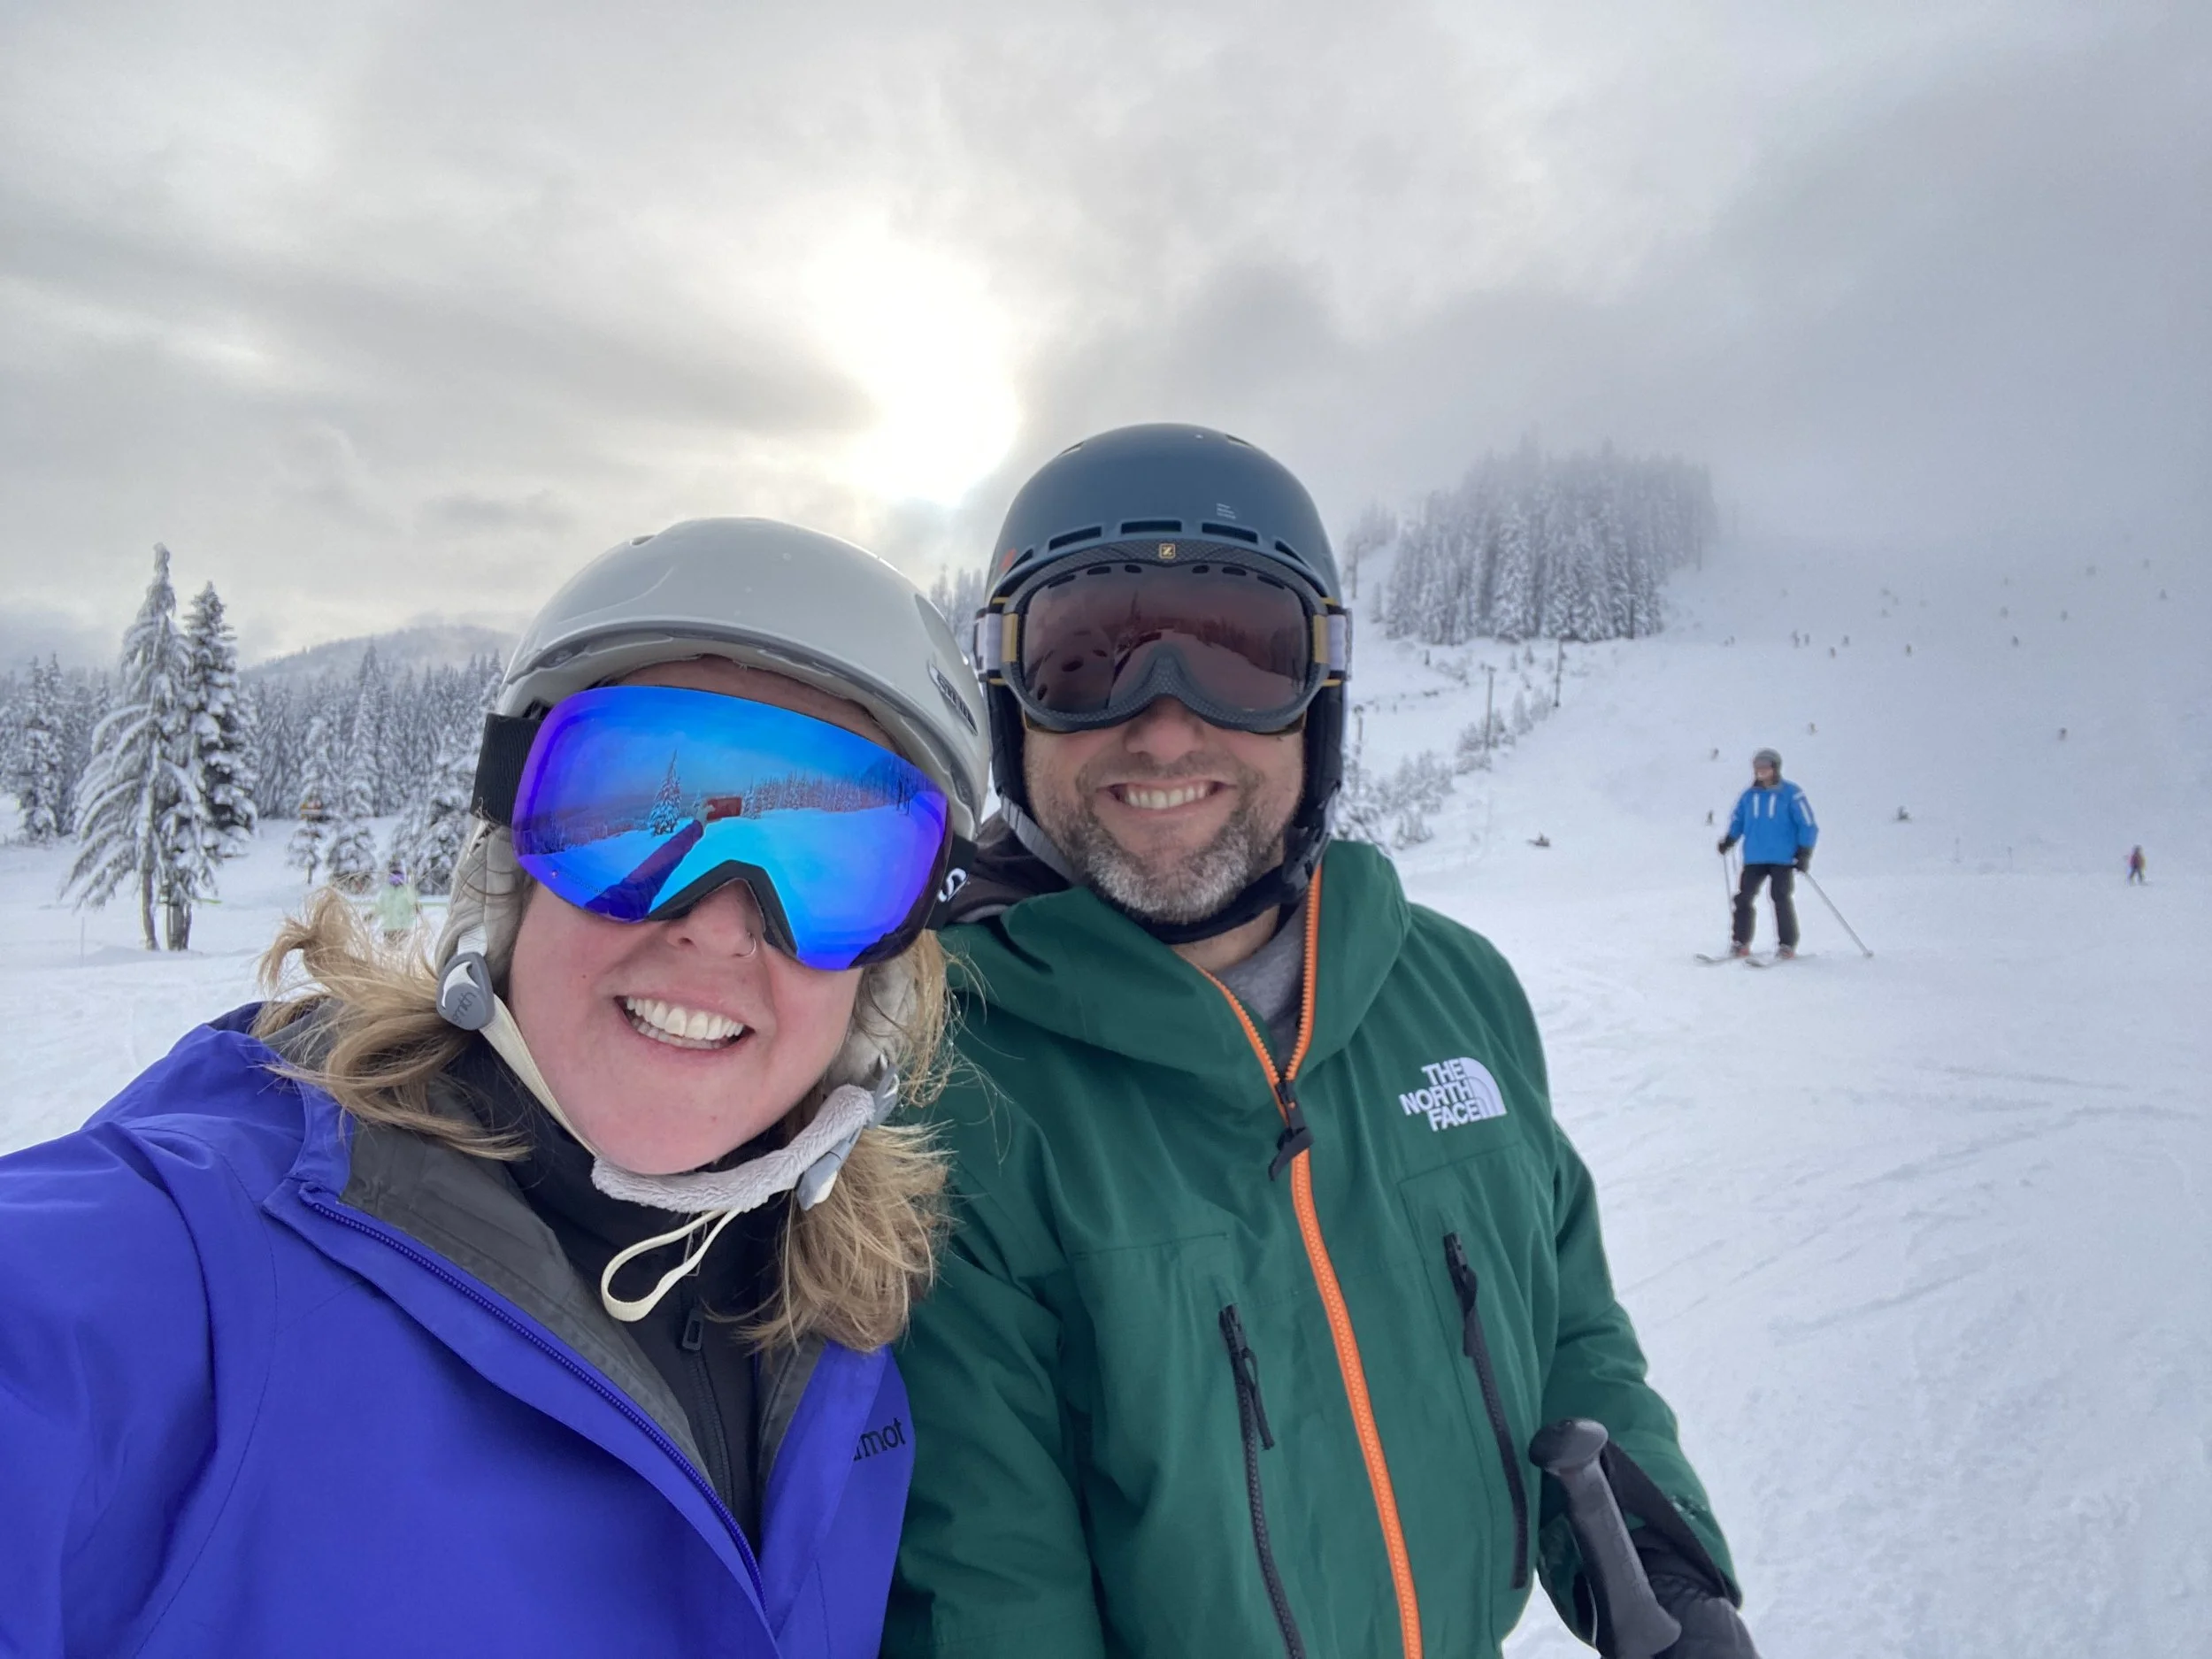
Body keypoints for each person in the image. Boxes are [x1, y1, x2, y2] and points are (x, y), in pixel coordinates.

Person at [0, 518, 990, 1658]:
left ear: (880, 977)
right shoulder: (208, 1260)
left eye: (833, 865)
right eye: (637, 815)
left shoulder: (842, 1348)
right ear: (507, 867)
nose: (720, 924)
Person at [885, 426, 1755, 1657]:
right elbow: (990, 1586)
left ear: (1321, 701)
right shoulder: (950, 1078)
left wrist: (1661, 1569)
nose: (1167, 728)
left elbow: (1564, 1324)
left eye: (1245, 656)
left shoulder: (1450, 987)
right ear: (1014, 706)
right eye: (1090, 661)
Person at [1717, 749, 1816, 960]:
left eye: (1765, 766)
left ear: (1775, 768)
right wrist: (1730, 840)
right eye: (1757, 767)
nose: (1761, 770)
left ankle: (1787, 945)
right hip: (1754, 856)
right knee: (1743, 898)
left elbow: (1807, 824)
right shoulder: (1748, 796)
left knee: (1780, 898)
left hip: (1782, 857)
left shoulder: (1791, 793)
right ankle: (1740, 943)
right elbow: (1738, 821)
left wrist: (1804, 852)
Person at [373, 858, 420, 939]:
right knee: (389, 950)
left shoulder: (407, 890)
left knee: (402, 950)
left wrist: (417, 907)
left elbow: (414, 903)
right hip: (389, 929)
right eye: (393, 878)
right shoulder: (385, 891)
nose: (396, 880)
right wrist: (372, 914)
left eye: (399, 877)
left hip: (403, 928)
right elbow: (379, 907)